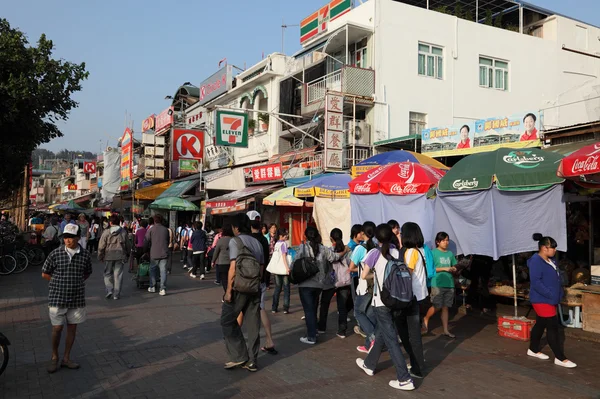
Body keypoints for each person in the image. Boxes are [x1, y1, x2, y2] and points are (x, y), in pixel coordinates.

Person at [355, 223, 415, 391]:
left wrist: (377, 274)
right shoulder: (396, 252)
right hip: (397, 300)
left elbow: (364, 274)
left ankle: (404, 378)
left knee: (391, 340)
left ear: (376, 237)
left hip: (381, 302)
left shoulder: (374, 253)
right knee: (383, 333)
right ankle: (369, 364)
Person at [41, 223, 92, 374]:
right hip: (57, 297)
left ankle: (66, 358)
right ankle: (54, 357)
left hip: (77, 298)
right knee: (57, 328)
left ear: (78, 237)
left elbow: (87, 272)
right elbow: (45, 273)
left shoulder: (85, 255)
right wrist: (58, 283)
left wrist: (75, 282)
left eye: (71, 237)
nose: (68, 240)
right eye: (65, 237)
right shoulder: (55, 254)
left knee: (72, 328)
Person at [221, 213, 264, 372]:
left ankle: (239, 356)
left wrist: (228, 292)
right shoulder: (257, 242)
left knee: (226, 320)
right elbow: (260, 267)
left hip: (239, 288)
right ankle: (252, 361)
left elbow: (233, 268)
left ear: (236, 227)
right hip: (254, 287)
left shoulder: (235, 241)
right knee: (253, 325)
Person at [527, 234, 577, 368]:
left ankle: (533, 349)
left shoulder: (551, 260)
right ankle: (560, 357)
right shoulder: (536, 261)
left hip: (551, 298)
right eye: (552, 248)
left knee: (540, 324)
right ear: (544, 248)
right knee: (553, 327)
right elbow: (536, 282)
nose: (554, 250)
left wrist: (559, 293)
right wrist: (550, 294)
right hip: (542, 299)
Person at [296, 226, 346, 345]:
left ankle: (311, 336)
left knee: (309, 310)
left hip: (305, 283)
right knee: (313, 308)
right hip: (319, 284)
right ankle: (314, 331)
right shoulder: (323, 249)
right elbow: (334, 257)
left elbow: (295, 262)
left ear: (305, 236)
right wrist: (345, 250)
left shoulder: (302, 247)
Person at [395, 222, 428, 380]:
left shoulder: (410, 253)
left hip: (410, 298)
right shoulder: (418, 251)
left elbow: (406, 274)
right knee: (410, 333)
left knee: (411, 334)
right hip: (416, 297)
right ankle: (417, 364)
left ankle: (418, 367)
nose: (400, 235)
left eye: (402, 233)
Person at [349, 222, 378, 353]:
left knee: (358, 312)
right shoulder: (377, 248)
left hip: (364, 286)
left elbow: (351, 267)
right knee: (370, 315)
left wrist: (361, 271)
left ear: (363, 233)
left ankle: (372, 338)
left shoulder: (360, 249)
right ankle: (368, 345)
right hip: (375, 286)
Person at [423, 232, 457, 338]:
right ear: (438, 242)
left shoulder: (450, 254)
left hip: (449, 283)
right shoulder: (433, 253)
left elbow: (454, 265)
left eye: (447, 240)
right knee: (437, 305)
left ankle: (446, 330)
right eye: (443, 240)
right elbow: (430, 269)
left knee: (446, 307)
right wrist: (444, 268)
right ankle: (426, 318)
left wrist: (454, 268)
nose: (446, 242)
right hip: (437, 283)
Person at [98, 214, 131, 300]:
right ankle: (116, 294)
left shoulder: (106, 232)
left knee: (108, 273)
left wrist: (100, 255)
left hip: (108, 256)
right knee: (118, 275)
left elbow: (101, 246)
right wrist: (128, 253)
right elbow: (128, 244)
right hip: (120, 256)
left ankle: (109, 290)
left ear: (111, 222)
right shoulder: (123, 232)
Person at [330, 228, 352, 338]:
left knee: (327, 305)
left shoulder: (330, 250)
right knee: (343, 306)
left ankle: (320, 327)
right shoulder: (348, 250)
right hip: (346, 281)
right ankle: (342, 330)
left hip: (334, 281)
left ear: (331, 238)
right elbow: (351, 264)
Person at [145, 214, 171, 296]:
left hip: (154, 253)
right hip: (164, 253)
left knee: (152, 270)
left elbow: (146, 241)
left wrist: (145, 250)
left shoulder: (151, 230)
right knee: (163, 271)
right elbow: (167, 240)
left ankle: (152, 286)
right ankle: (162, 289)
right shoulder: (165, 230)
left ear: (154, 221)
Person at [271, 228, 291, 314]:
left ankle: (274, 307)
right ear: (280, 236)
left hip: (277, 269)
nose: (286, 236)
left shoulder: (276, 244)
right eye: (285, 235)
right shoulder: (284, 244)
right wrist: (287, 268)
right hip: (283, 269)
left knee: (277, 288)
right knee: (286, 288)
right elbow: (284, 256)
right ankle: (285, 308)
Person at [212, 224, 233, 292]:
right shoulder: (234, 239)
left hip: (222, 262)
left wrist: (213, 261)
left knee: (224, 279)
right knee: (231, 279)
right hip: (232, 262)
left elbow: (216, 251)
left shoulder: (221, 240)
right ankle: (230, 293)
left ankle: (226, 293)